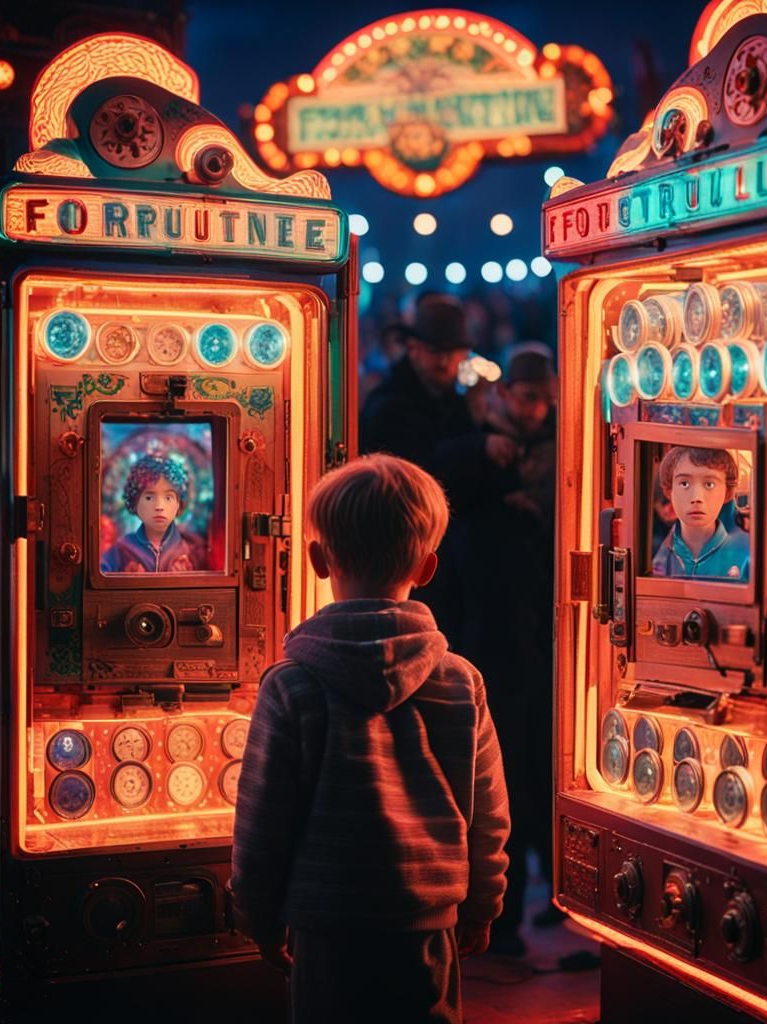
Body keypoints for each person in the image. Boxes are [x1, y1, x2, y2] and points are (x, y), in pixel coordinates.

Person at [229, 454, 511, 1024]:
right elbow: (488, 811)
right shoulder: (460, 680)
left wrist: (257, 916)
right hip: (428, 922)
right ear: (428, 567)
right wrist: (483, 906)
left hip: (327, 926)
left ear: (316, 559)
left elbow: (262, 817)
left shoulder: (291, 685)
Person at [457, 345, 561, 955]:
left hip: (539, 636)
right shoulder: (475, 441)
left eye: (542, 398)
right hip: (489, 637)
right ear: (504, 395)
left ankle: (554, 892)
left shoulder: (562, 444)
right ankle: (503, 914)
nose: (536, 408)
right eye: (527, 397)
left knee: (542, 769)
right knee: (501, 780)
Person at [360, 292, 520, 644]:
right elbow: (415, 470)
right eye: (436, 352)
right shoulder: (389, 404)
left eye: (454, 353)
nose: (445, 362)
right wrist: (480, 445)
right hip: (408, 556)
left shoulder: (454, 400)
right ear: (413, 348)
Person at [651, 446, 750, 581]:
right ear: (669, 490)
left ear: (727, 492)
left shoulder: (746, 554)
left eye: (709, 484)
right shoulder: (655, 554)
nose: (697, 497)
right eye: (684, 483)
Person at [100, 452, 206, 573]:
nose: (159, 507)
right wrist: (124, 579)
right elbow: (99, 575)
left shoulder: (191, 551)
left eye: (168, 498)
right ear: (135, 502)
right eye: (149, 498)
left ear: (179, 504)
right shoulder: (123, 549)